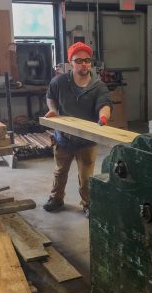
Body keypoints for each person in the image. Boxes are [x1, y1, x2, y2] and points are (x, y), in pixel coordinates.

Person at [43, 41, 112, 216]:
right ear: (71, 63)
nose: (84, 64)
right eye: (79, 60)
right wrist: (52, 110)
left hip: (86, 141)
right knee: (60, 172)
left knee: (87, 177)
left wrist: (103, 117)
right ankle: (56, 199)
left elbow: (105, 105)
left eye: (87, 60)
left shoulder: (98, 86)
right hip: (63, 138)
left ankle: (88, 204)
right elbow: (50, 96)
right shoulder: (59, 82)